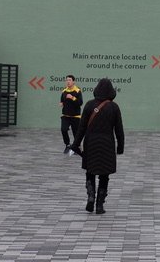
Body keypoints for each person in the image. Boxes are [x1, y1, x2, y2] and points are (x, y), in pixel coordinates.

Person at [70, 77, 124, 215]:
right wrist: (120, 147)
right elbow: (119, 129)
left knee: (90, 171)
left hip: (91, 143)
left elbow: (81, 128)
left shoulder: (89, 105)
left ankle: (90, 196)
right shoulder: (114, 107)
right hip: (107, 144)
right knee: (104, 175)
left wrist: (75, 145)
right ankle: (99, 205)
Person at [59, 74, 84, 154]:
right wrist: (61, 103)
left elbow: (80, 103)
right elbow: (62, 100)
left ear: (73, 82)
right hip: (65, 115)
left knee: (76, 133)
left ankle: (77, 147)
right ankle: (67, 145)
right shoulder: (64, 91)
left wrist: (72, 98)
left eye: (69, 80)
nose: (68, 82)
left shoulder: (77, 91)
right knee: (63, 129)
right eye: (67, 80)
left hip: (75, 116)